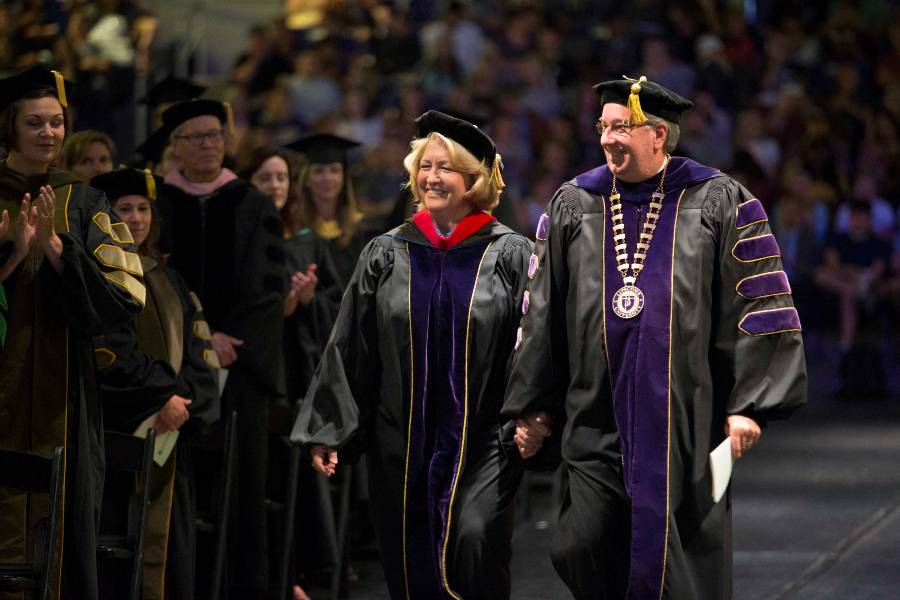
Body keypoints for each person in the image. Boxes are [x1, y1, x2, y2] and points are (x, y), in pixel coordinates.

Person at [503, 77, 807, 600]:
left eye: (621, 127)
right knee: (580, 545)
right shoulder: (577, 203)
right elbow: (542, 309)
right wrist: (532, 405)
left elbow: (757, 301)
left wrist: (748, 404)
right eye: (603, 127)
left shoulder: (717, 200)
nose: (607, 138)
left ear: (658, 134)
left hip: (684, 420)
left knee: (677, 565)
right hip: (594, 415)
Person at [291, 110, 532, 600]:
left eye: (444, 167)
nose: (431, 177)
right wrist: (329, 426)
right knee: (409, 559)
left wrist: (535, 414)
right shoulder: (386, 253)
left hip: (483, 438)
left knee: (474, 538)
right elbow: (349, 343)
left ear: (473, 178)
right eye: (424, 166)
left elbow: (536, 343)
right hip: (399, 442)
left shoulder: (509, 255)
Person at [0, 66, 145, 599]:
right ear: (10, 128)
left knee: (60, 514)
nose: (48, 133)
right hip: (5, 377)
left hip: (64, 391)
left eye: (56, 122)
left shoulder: (83, 202)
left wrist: (64, 257)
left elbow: (128, 294)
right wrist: (13, 254)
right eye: (34, 122)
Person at [156, 98, 286, 596]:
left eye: (215, 135)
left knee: (242, 484)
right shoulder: (161, 203)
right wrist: (201, 341)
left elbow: (266, 286)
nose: (209, 144)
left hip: (240, 366)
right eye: (196, 137)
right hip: (177, 365)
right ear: (177, 146)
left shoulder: (251, 202)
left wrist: (230, 340)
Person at [91, 167, 221, 600]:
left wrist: (186, 403)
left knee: (171, 554)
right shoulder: (102, 274)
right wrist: (161, 396)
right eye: (124, 208)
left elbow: (200, 353)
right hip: (121, 436)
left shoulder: (168, 277)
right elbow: (109, 356)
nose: (136, 217)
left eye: (143, 208)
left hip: (169, 433)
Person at [284, 133, 369, 288]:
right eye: (318, 171)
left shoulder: (361, 230)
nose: (327, 177)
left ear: (343, 178)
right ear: (306, 179)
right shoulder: (294, 228)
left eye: (334, 170)